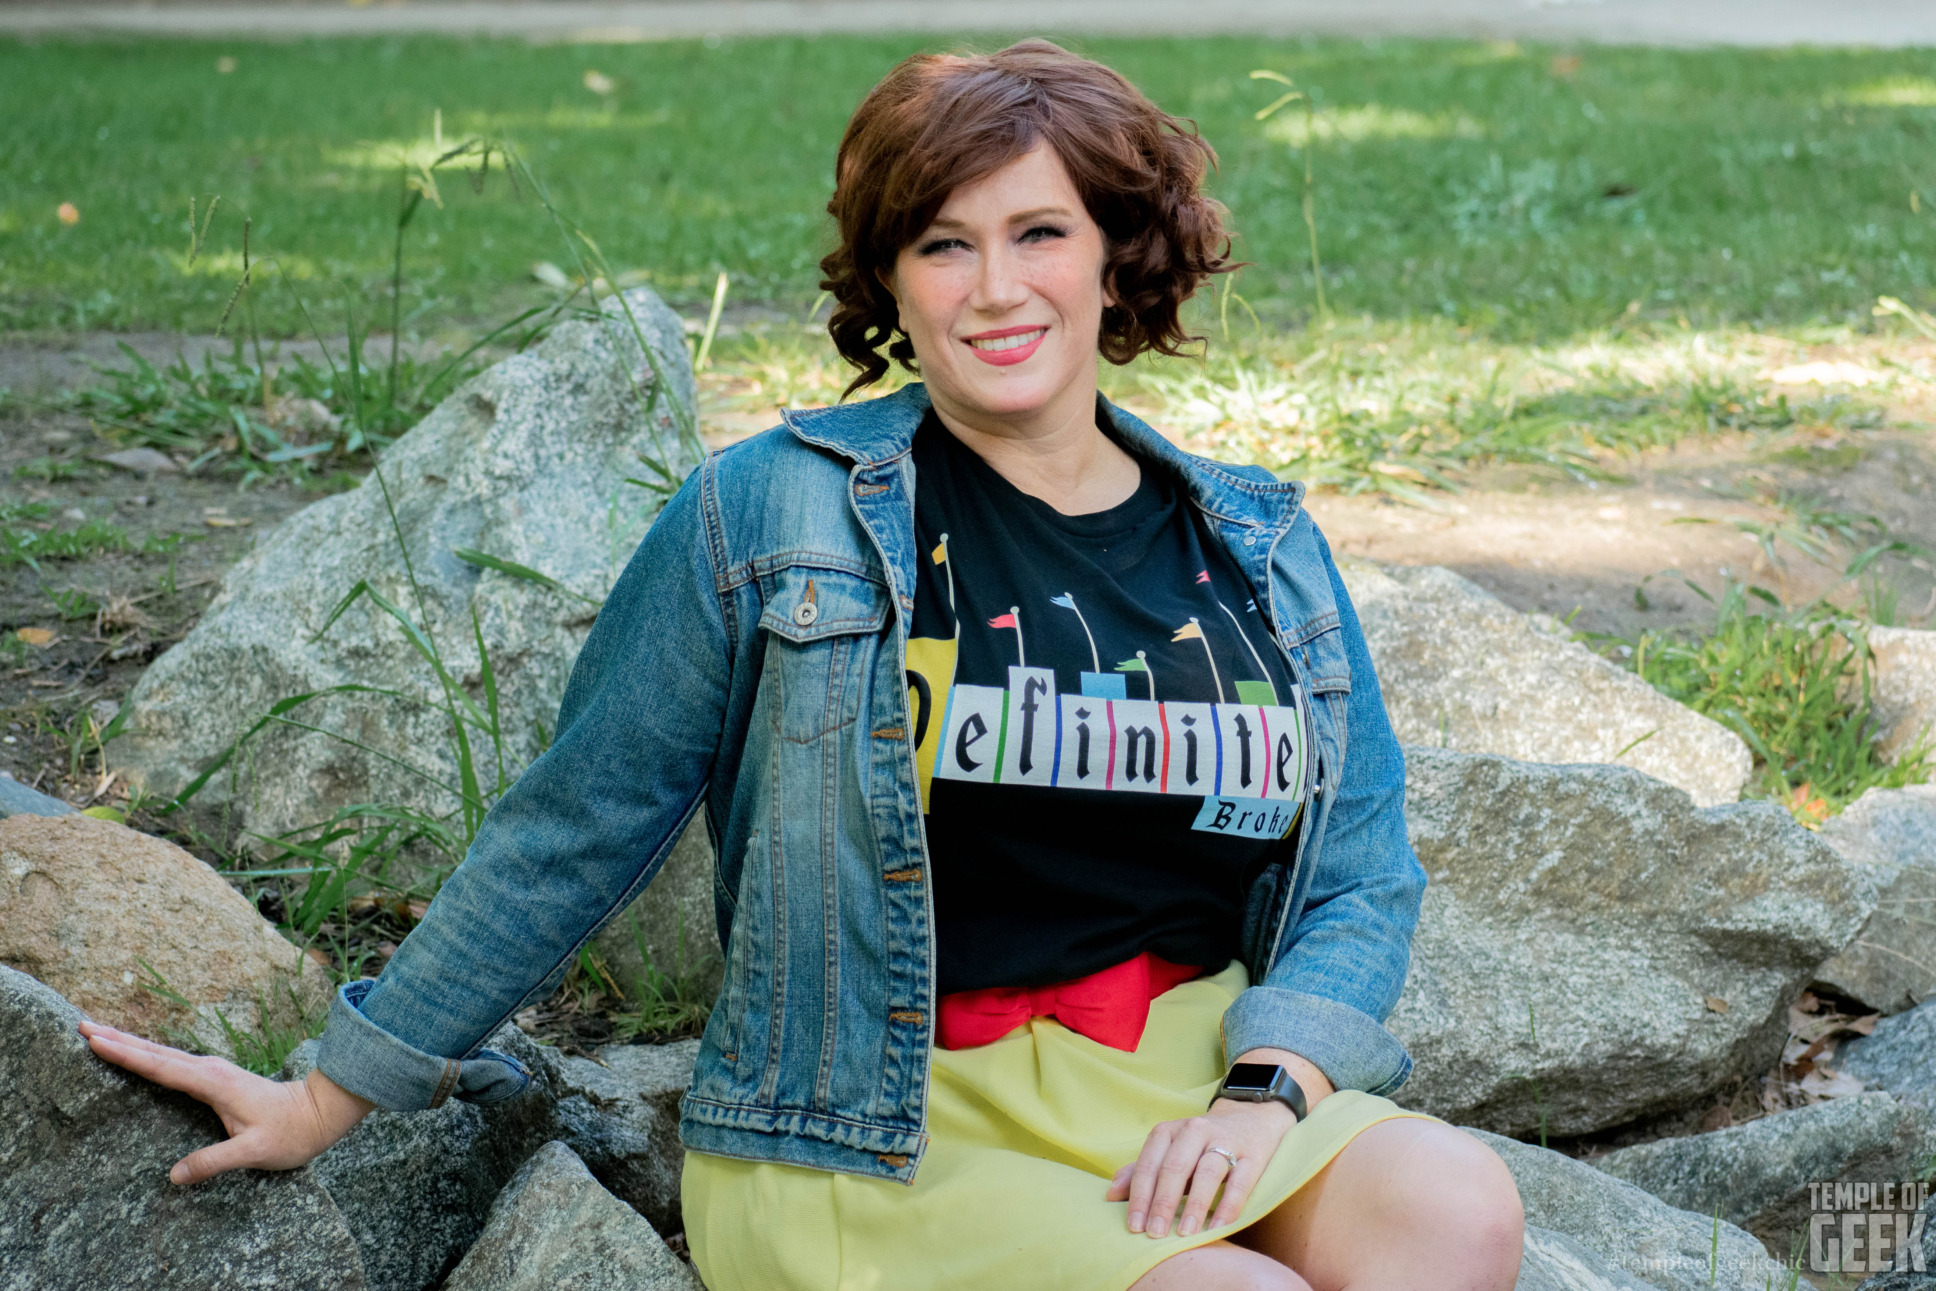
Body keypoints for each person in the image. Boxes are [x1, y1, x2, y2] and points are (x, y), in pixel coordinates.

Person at [83, 39, 1525, 1291]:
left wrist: (1269, 1095)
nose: (994, 287)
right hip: (874, 1117)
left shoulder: (1253, 543)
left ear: (1114, 253)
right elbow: (576, 826)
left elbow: (1354, 870)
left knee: (1457, 1213)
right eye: (943, 244)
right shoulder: (772, 513)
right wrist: (336, 1094)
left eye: (1040, 233)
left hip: (1179, 1073)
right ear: (892, 280)